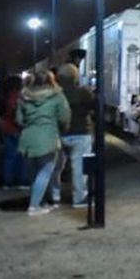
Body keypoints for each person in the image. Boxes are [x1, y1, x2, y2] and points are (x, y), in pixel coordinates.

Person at [17, 71, 70, 216]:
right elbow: (64, 118)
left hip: (27, 139)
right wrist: (60, 129)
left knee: (34, 174)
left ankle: (40, 201)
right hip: (48, 138)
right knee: (45, 172)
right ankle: (34, 206)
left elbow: (19, 120)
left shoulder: (24, 97)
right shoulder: (57, 96)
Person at [52, 64, 95, 206]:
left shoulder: (54, 93)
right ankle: (79, 197)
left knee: (56, 166)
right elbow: (94, 106)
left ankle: (55, 195)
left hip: (60, 133)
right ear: (75, 76)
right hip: (81, 132)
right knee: (79, 167)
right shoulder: (83, 92)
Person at [0, 76, 24, 188]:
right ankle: (19, 181)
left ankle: (7, 182)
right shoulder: (19, 96)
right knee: (20, 157)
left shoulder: (4, 96)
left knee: (9, 157)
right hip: (17, 129)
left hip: (6, 128)